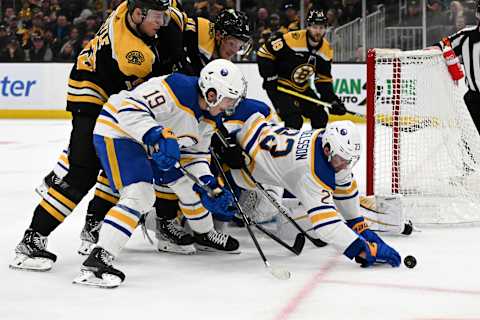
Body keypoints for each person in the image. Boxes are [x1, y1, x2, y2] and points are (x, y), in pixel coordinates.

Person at [9, 0, 184, 272]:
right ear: (138, 14)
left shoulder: (129, 8)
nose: (162, 22)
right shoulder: (133, 54)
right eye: (157, 18)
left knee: (106, 163)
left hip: (98, 86)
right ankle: (32, 239)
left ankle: (86, 221)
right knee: (83, 173)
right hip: (92, 96)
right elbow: (147, 92)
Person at [73, 59, 246, 288]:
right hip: (119, 131)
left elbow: (195, 155)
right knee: (140, 194)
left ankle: (204, 234)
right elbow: (129, 108)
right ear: (212, 93)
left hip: (152, 145)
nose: (231, 106)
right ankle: (99, 258)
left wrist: (209, 184)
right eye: (229, 100)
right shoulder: (177, 89)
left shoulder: (209, 118)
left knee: (190, 187)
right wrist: (155, 134)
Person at [215, 99, 401, 268]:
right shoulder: (310, 171)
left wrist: (358, 224)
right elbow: (326, 227)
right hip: (239, 165)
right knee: (260, 210)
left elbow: (344, 184)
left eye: (348, 160)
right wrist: (364, 250)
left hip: (255, 129)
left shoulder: (323, 139)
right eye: (341, 160)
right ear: (327, 149)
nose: (345, 165)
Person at [257, 8, 347, 130]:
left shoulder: (326, 50)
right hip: (279, 86)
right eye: (315, 27)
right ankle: (288, 148)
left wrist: (332, 100)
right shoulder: (292, 39)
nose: (318, 32)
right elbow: (264, 52)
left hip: (300, 87)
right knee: (294, 120)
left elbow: (323, 79)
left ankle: (315, 146)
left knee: (320, 117)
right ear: (308, 27)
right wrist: (269, 77)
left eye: (321, 28)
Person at [433, 0, 480, 136]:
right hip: (474, 100)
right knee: (471, 142)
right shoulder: (466, 36)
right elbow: (443, 45)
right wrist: (434, 48)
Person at [183, 8, 252, 76]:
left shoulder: (216, 60)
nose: (234, 51)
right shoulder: (197, 32)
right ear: (218, 35)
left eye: (240, 47)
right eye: (231, 43)